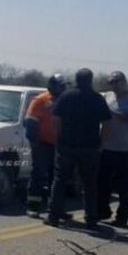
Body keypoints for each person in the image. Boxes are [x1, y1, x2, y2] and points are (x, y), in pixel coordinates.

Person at [46, 68, 112, 228]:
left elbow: (55, 119)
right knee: (89, 183)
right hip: (90, 147)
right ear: (91, 80)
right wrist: (101, 144)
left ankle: (54, 216)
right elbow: (107, 124)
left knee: (60, 180)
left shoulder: (66, 96)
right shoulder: (97, 99)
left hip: (66, 145)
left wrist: (58, 138)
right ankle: (91, 219)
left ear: (76, 79)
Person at [98, 71, 128, 227]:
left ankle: (122, 217)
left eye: (116, 82)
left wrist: (115, 114)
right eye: (111, 82)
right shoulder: (107, 96)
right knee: (102, 183)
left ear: (124, 81)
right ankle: (102, 211)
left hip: (127, 149)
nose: (114, 85)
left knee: (125, 187)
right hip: (107, 147)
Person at [24, 74, 67, 216]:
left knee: (57, 178)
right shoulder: (41, 100)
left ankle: (56, 209)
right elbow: (30, 121)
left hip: (60, 145)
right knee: (38, 174)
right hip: (42, 144)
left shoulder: (65, 100)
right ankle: (33, 207)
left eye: (64, 86)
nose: (63, 88)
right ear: (52, 85)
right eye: (61, 85)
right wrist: (34, 141)